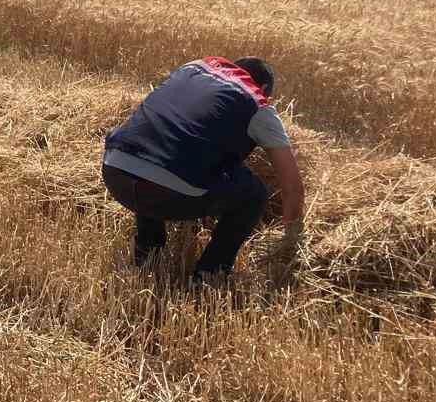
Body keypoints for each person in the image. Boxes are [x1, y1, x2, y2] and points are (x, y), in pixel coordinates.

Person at [102, 55, 304, 284]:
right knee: (254, 194)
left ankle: (147, 253)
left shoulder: (194, 68)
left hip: (115, 169)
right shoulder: (257, 103)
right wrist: (292, 241)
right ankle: (209, 275)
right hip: (167, 190)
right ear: (264, 88)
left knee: (162, 152)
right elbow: (292, 187)